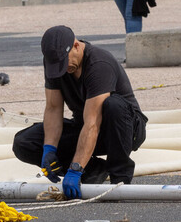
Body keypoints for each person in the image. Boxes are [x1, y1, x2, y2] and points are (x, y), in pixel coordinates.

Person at [12, 25, 148, 199]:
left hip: (124, 129)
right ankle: (93, 170)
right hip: (86, 126)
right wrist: (49, 149)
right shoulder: (54, 63)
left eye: (64, 62)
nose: (62, 68)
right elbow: (53, 108)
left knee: (113, 106)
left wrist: (75, 168)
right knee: (24, 142)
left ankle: (119, 177)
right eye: (57, 65)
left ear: (76, 45)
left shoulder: (99, 63)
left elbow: (93, 122)